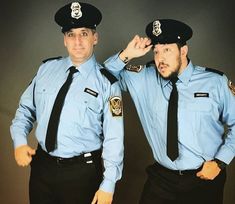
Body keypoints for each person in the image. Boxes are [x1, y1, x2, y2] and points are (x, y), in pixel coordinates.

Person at [104, 19, 235, 204]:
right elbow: (103, 76)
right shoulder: (144, 77)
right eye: (156, 51)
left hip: (204, 178)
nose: (160, 59)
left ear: (183, 51)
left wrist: (220, 162)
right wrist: (127, 53)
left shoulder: (215, 82)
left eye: (167, 50)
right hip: (162, 180)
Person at [10, 2, 124, 204]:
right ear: (64, 39)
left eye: (84, 33)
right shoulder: (46, 69)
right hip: (42, 167)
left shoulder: (107, 84)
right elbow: (25, 110)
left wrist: (109, 184)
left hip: (82, 173)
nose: (77, 41)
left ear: (95, 37)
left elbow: (114, 139)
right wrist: (19, 142)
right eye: (71, 34)